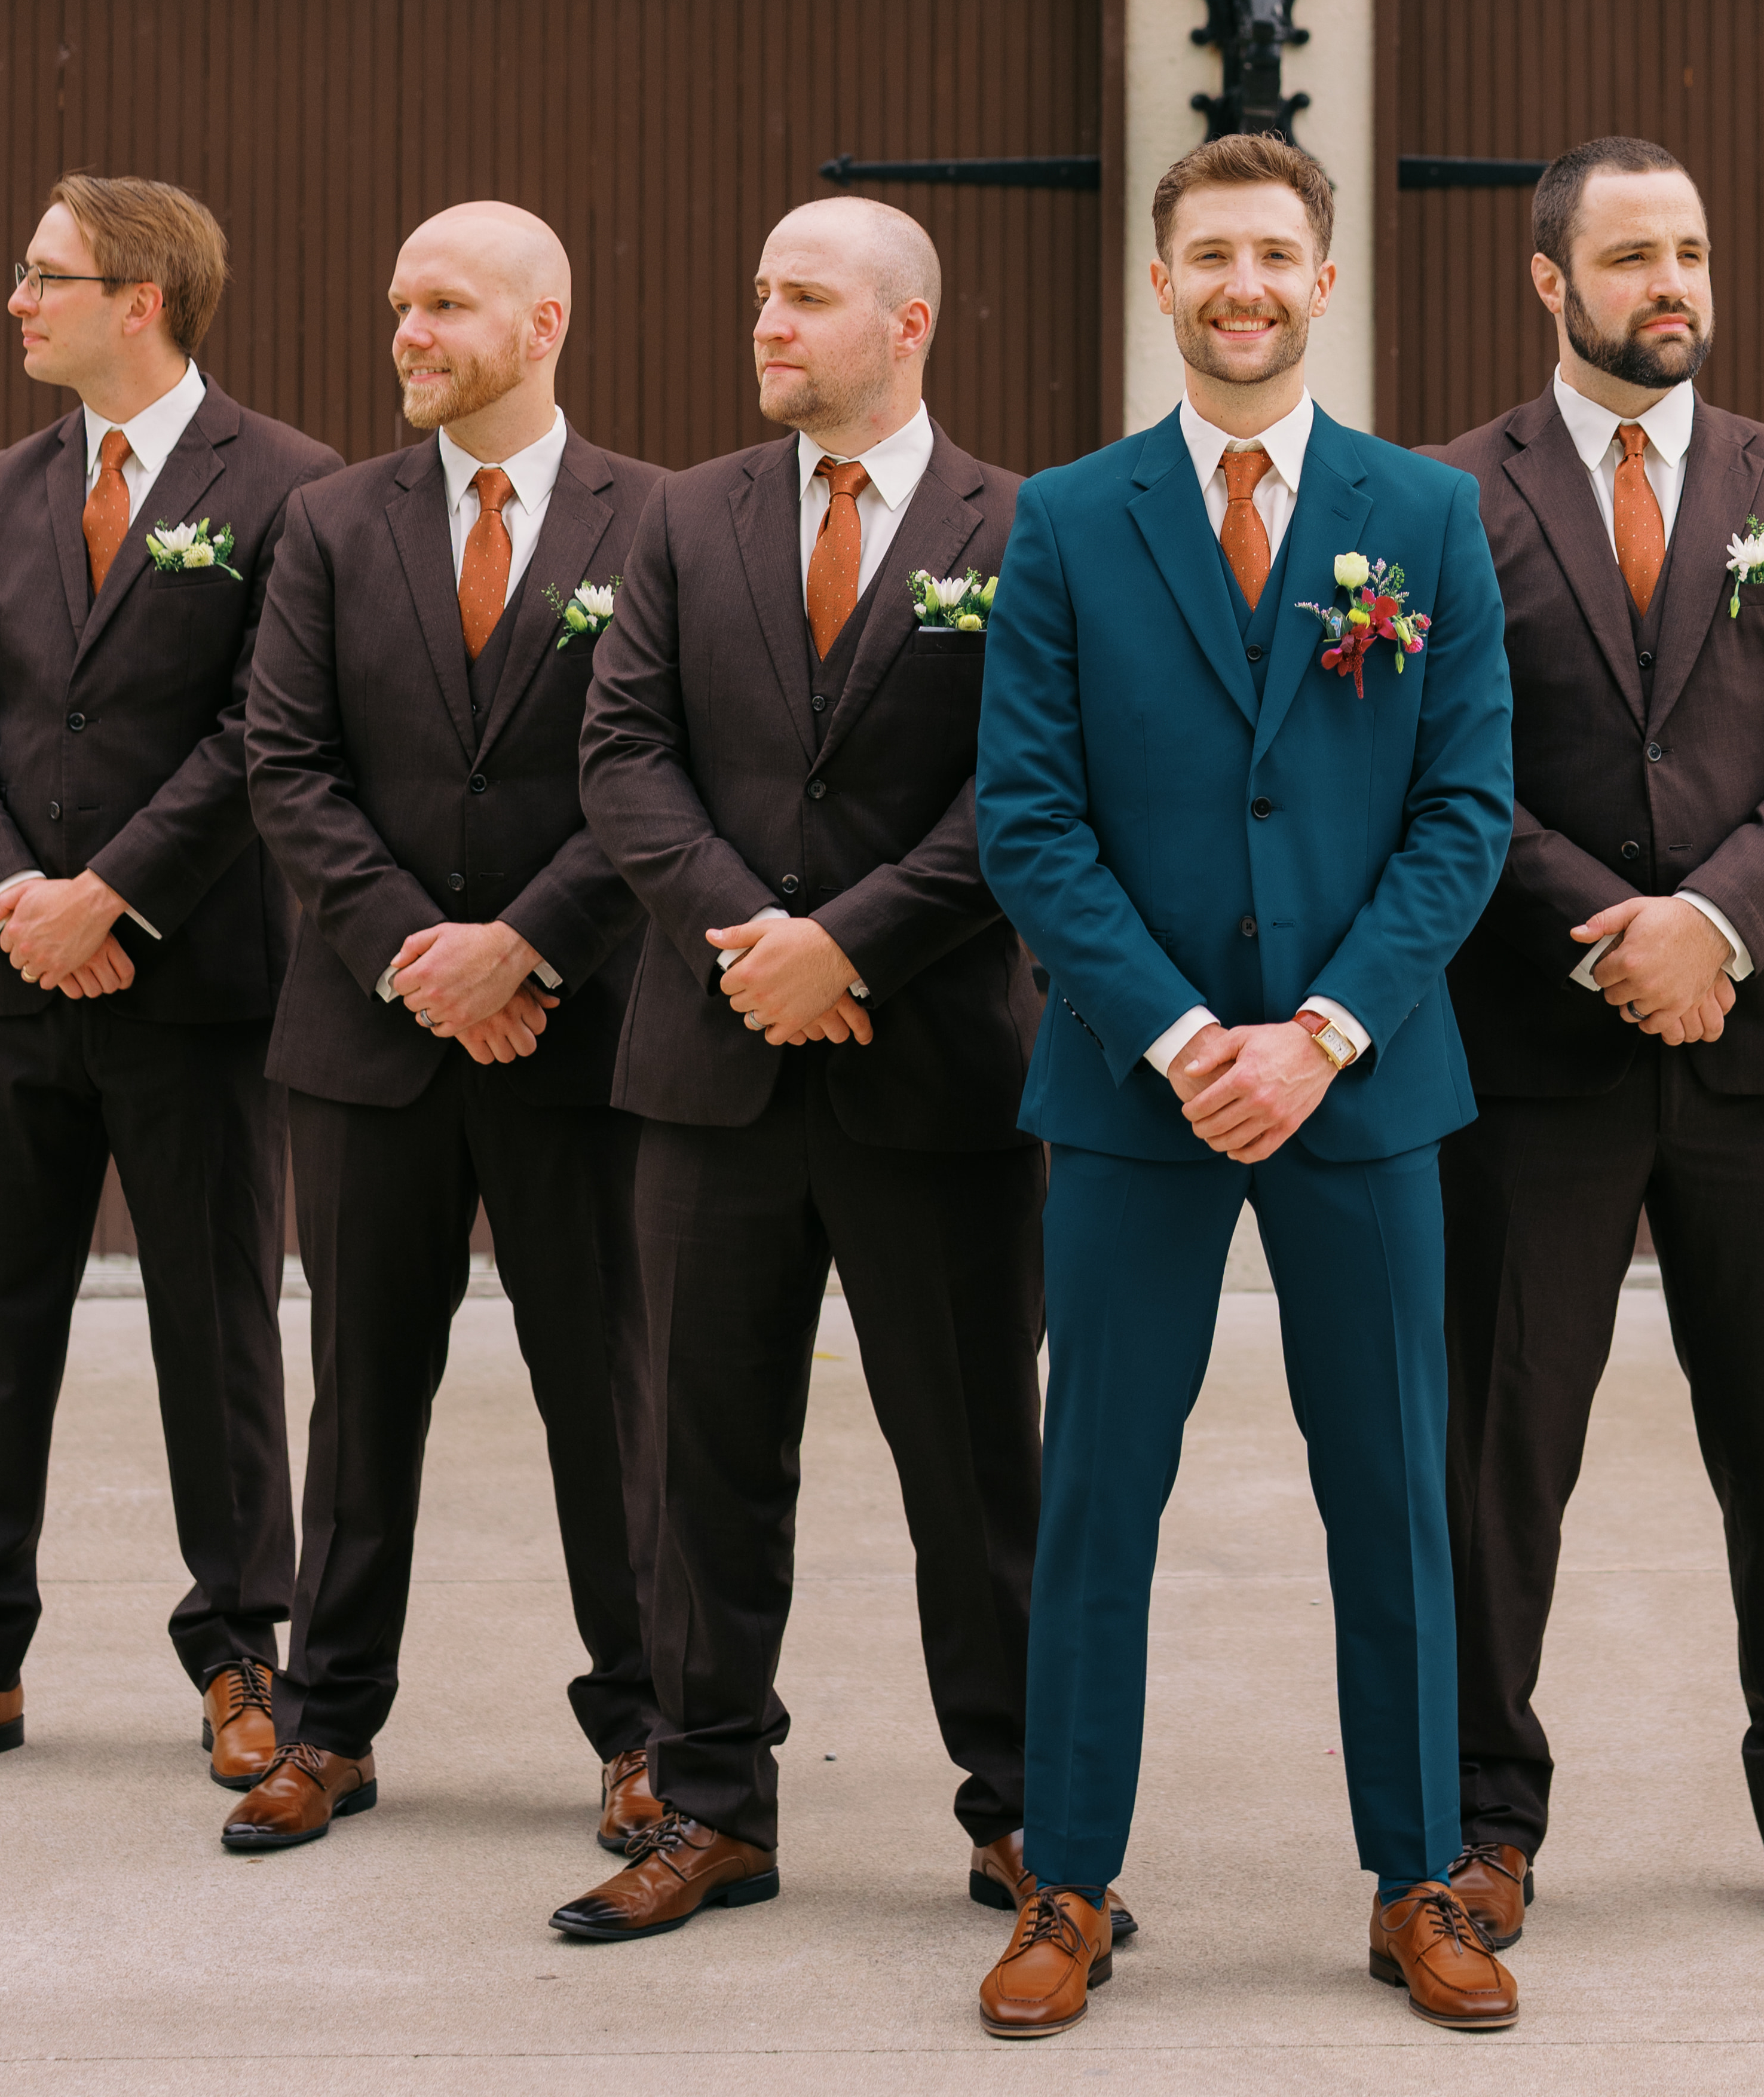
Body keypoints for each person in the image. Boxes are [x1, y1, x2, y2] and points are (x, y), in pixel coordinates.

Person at [969, 134, 1517, 2038]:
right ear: (1161, 279)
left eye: (1276, 254)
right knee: (1100, 1495)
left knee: (1395, 1499)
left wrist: (1325, 1032)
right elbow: (1027, 819)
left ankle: (1417, 1878)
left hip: (1366, 1092)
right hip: (1138, 1096)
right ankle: (1071, 1882)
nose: (1244, 286)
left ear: (1326, 278)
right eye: (1210, 255)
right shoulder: (1065, 518)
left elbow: (1466, 811)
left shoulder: (1424, 517)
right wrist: (1190, 1038)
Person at [1423, 136, 1764, 1951]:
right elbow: (1440, 766)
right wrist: (1613, 935)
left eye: (1693, 250)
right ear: (1549, 281)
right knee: (1497, 1454)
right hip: (1526, 1058)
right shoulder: (1445, 500)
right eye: (1634, 254)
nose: (1674, 285)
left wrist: (1710, 925)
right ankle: (1481, 1822)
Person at [558, 197, 1066, 1942]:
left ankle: (1018, 1815)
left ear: (909, 322)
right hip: (712, 1077)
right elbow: (622, 755)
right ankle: (709, 1805)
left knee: (978, 1470)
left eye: (804, 296)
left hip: (934, 1079)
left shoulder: (1026, 529)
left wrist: (848, 945)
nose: (765, 319)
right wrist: (747, 946)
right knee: (702, 1461)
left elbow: (1028, 789)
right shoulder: (682, 519)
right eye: (759, 290)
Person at [0, 174, 335, 1796]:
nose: (17, 299)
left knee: (217, 1327)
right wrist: (14, 897)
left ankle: (240, 1654)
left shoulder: (286, 489)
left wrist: (114, 895)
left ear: (141, 298)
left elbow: (262, 733)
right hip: (8, 987)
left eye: (45, 275)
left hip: (191, 982)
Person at [229, 203, 665, 1854]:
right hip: (372, 1040)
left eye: (444, 306)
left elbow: (656, 771)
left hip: (580, 1040)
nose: (406, 333)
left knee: (607, 1396)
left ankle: (644, 1728)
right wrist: (422, 953)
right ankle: (326, 1723)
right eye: (398, 303)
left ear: (545, 320)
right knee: (361, 1392)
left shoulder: (664, 522)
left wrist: (526, 951)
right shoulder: (332, 527)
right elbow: (288, 764)